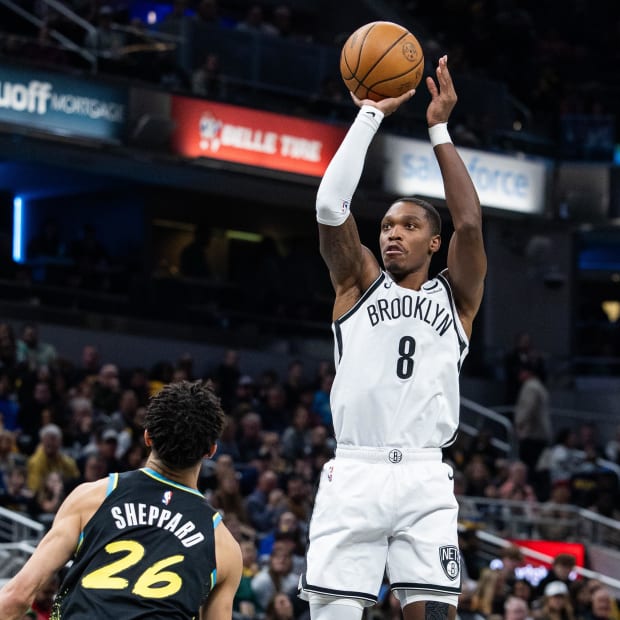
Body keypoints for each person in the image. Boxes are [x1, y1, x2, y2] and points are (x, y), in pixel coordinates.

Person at [298, 55, 487, 620]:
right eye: (386, 226)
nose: (393, 235)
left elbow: (471, 225)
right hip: (356, 468)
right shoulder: (357, 282)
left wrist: (439, 129)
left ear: (435, 244)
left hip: (426, 475)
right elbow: (330, 206)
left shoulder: (456, 299)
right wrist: (368, 116)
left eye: (409, 227)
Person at [0, 380, 242, 619]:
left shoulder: (93, 497)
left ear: (147, 437)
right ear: (211, 450)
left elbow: (17, 597)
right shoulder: (223, 545)